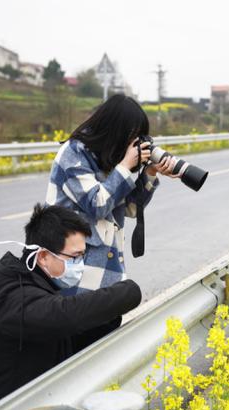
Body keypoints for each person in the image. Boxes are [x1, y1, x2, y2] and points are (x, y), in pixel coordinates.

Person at [0, 204, 142, 410]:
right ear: (43, 256)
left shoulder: (33, 285)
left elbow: (63, 341)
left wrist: (106, 321)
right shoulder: (12, 298)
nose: (80, 265)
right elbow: (65, 317)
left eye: (83, 256)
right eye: (74, 257)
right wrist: (129, 291)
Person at [45, 94, 180, 295]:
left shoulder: (107, 157)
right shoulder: (74, 153)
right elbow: (97, 204)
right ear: (115, 130)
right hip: (74, 279)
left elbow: (131, 209)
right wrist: (125, 165)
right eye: (132, 135)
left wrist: (150, 173)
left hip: (107, 274)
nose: (133, 143)